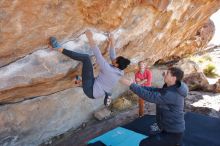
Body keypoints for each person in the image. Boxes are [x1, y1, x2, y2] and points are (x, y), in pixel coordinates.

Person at [49, 30, 130, 106]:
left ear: (116, 65)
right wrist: (112, 41)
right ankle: (81, 82)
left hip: (90, 90)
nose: (114, 59)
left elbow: (97, 53)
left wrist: (90, 37)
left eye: (115, 60)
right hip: (98, 89)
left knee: (86, 58)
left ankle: (58, 48)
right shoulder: (120, 71)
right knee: (93, 72)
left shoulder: (108, 69)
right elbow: (113, 56)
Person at [120, 67, 188, 146]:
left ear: (173, 78)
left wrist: (131, 85)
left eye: (167, 73)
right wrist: (135, 85)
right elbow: (154, 90)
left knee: (144, 144)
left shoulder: (172, 94)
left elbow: (150, 96)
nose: (164, 74)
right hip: (166, 128)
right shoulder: (172, 86)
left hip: (173, 133)